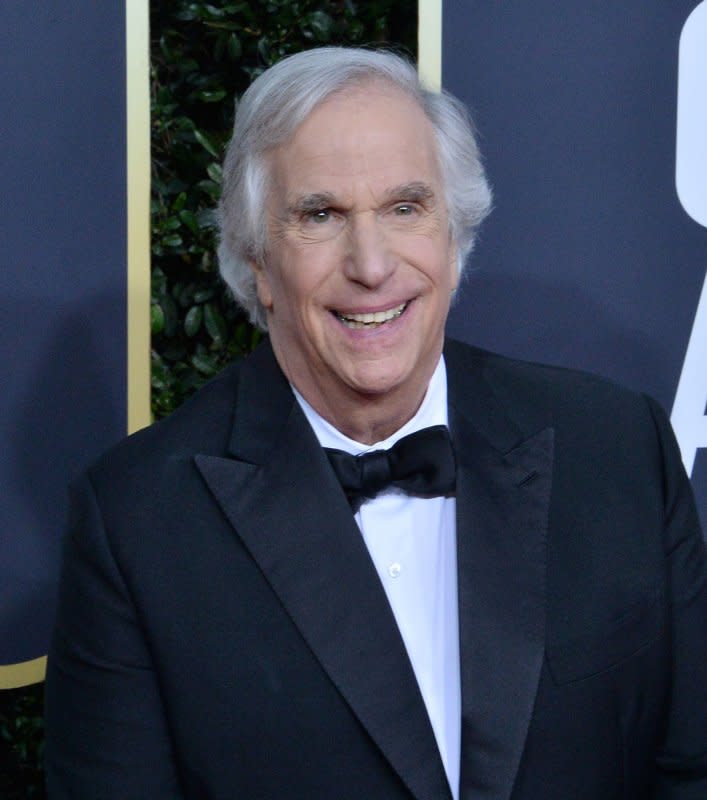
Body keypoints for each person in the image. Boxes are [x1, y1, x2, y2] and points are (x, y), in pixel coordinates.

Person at [44, 47, 707, 799]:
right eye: (320, 215)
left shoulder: (617, 449)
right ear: (257, 262)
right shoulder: (136, 521)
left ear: (453, 242)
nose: (370, 264)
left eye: (404, 207)